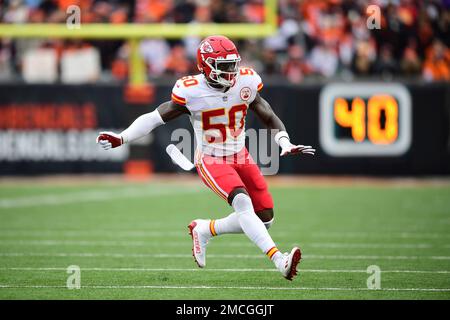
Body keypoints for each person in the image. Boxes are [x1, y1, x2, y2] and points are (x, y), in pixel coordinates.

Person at [97, 35, 315, 280]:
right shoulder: (191, 91)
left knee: (264, 219)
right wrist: (122, 137)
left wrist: (284, 142)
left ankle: (205, 229)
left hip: (240, 154)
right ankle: (279, 260)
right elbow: (153, 117)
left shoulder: (247, 81)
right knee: (242, 204)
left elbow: (268, 115)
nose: (232, 71)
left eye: (233, 64)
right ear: (207, 66)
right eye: (224, 66)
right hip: (211, 158)